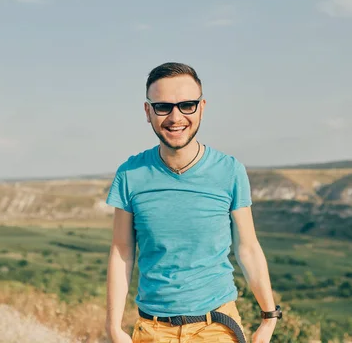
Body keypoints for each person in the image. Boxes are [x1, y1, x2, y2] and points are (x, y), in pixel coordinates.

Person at [105, 62, 282, 343]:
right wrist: (114, 327)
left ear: (201, 107)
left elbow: (247, 248)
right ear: (147, 111)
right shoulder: (130, 174)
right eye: (163, 107)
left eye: (187, 105)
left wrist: (269, 317)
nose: (175, 117)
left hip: (216, 327)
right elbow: (122, 251)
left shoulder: (230, 171)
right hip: (151, 330)